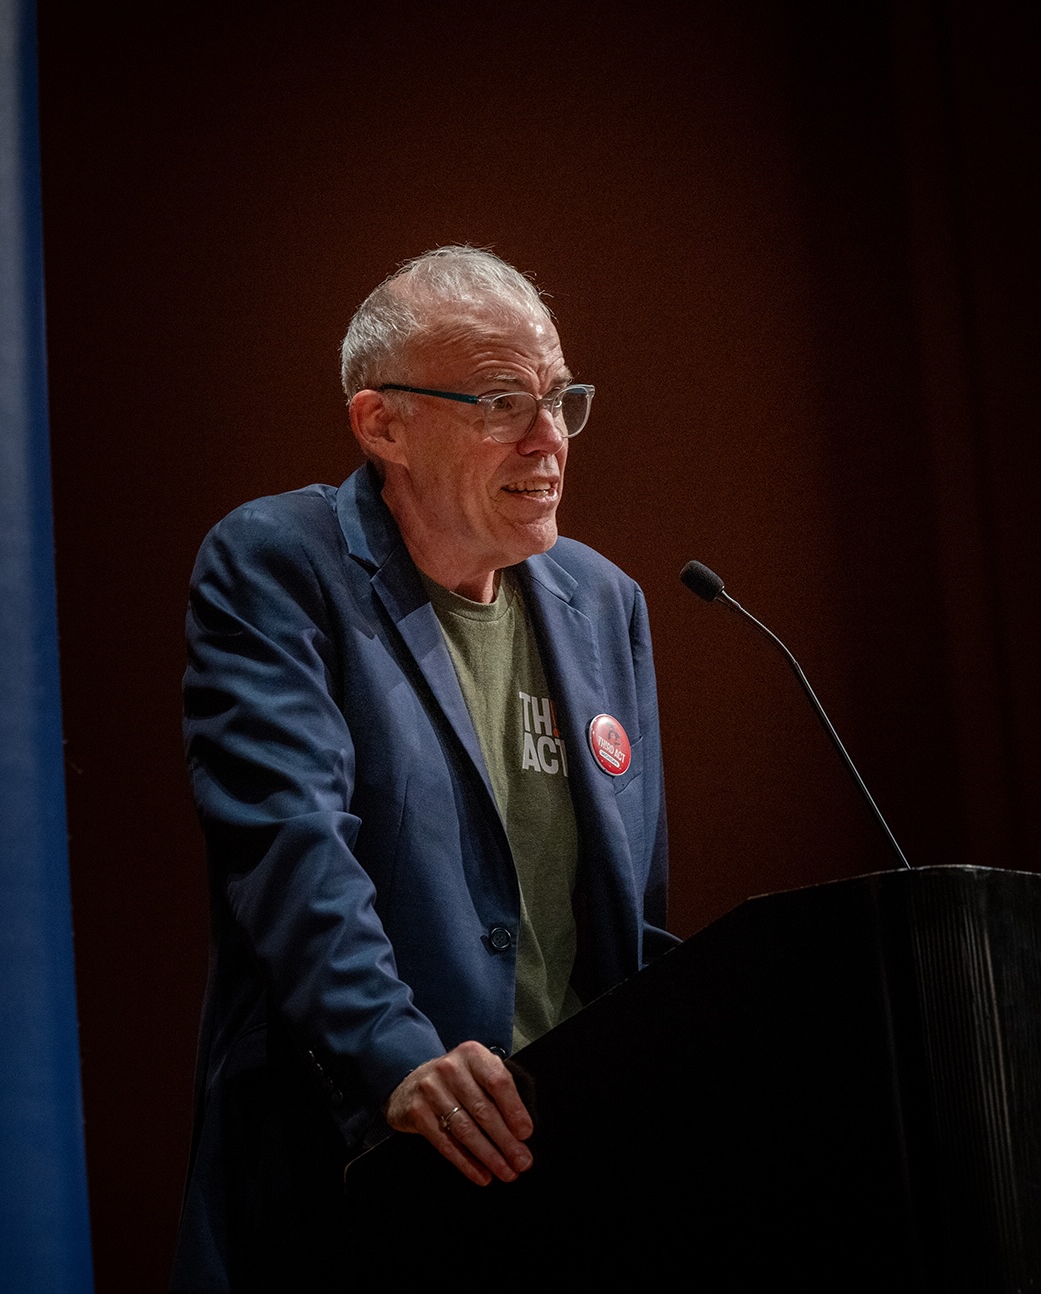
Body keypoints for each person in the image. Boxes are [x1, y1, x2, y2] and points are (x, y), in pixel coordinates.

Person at [171, 246, 676, 1292]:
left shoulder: (604, 603)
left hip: (574, 1176)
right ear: (381, 425)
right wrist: (396, 1057)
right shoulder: (278, 563)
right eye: (500, 401)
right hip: (361, 1163)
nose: (548, 441)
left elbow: (632, 912)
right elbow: (292, 851)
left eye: (557, 398)